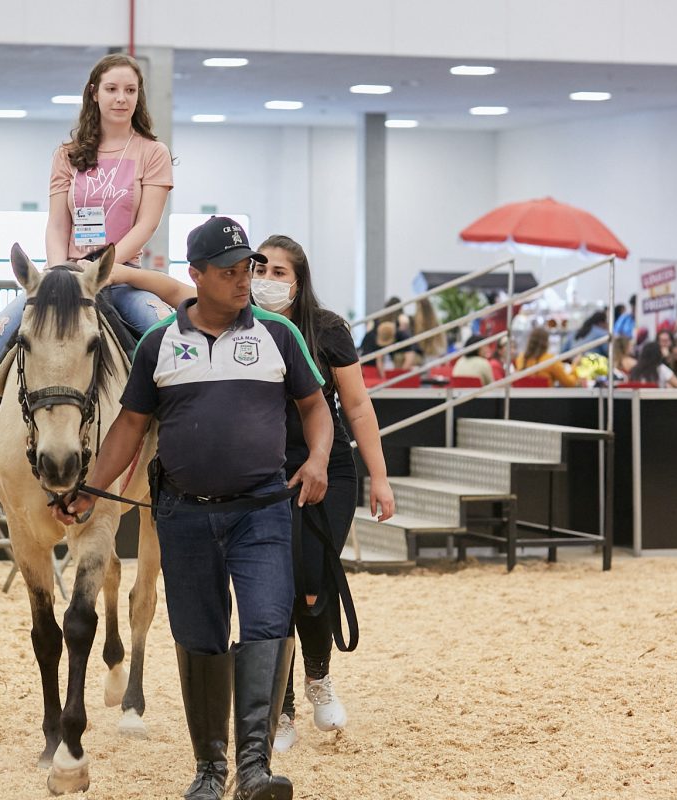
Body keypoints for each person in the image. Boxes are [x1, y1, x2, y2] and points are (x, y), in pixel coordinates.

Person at [56, 217, 334, 800]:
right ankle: (210, 769)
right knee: (199, 636)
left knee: (264, 625)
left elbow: (315, 405)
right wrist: (87, 487)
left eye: (249, 270)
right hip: (183, 515)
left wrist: (317, 461)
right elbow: (130, 425)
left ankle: (254, 768)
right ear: (197, 276)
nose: (244, 282)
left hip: (261, 512)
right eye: (231, 272)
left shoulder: (279, 335)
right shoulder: (158, 344)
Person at [110, 234, 398, 753]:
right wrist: (122, 273)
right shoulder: (203, 313)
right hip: (263, 476)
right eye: (254, 268)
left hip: (319, 466)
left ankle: (316, 678)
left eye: (274, 272)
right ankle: (277, 713)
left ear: (298, 279)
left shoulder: (316, 331)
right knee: (273, 596)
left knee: (311, 582)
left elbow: (352, 407)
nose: (260, 280)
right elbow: (176, 287)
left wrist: (377, 475)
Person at [0, 52, 173, 492]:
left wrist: (104, 268)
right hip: (66, 278)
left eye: (130, 90)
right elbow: (58, 221)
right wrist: (60, 269)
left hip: (122, 277)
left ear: (139, 97)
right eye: (113, 89)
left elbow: (147, 224)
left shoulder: (152, 153)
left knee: (163, 330)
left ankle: (174, 454)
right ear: (94, 94)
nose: (121, 98)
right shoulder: (67, 154)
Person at [410, 297, 447, 365]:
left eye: (417, 310)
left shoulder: (420, 327)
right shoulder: (436, 325)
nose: (416, 313)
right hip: (432, 361)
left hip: (429, 362)